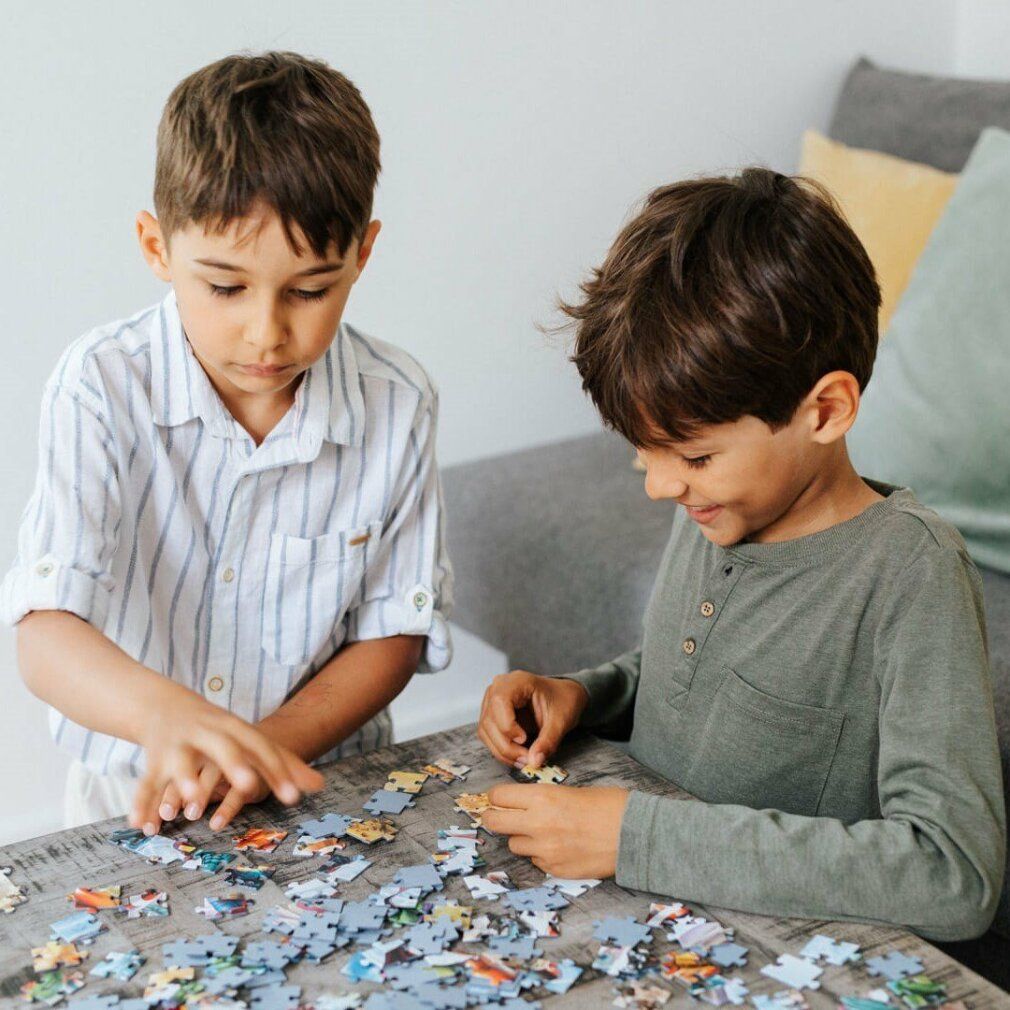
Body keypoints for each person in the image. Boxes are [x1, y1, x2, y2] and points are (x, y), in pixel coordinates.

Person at [477, 168, 1005, 941]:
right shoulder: (719, 508)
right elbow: (705, 674)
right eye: (644, 452)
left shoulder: (911, 575)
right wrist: (582, 694)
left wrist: (635, 836)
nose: (660, 486)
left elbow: (954, 872)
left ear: (824, 411)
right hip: (640, 937)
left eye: (691, 457)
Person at [1, 50, 452, 837]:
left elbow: (393, 632)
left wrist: (259, 753)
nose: (268, 332)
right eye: (225, 286)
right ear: (156, 248)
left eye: (311, 290)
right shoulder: (99, 384)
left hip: (322, 782)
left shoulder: (397, 401)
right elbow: (45, 630)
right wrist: (166, 717)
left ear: (362, 255)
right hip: (131, 791)